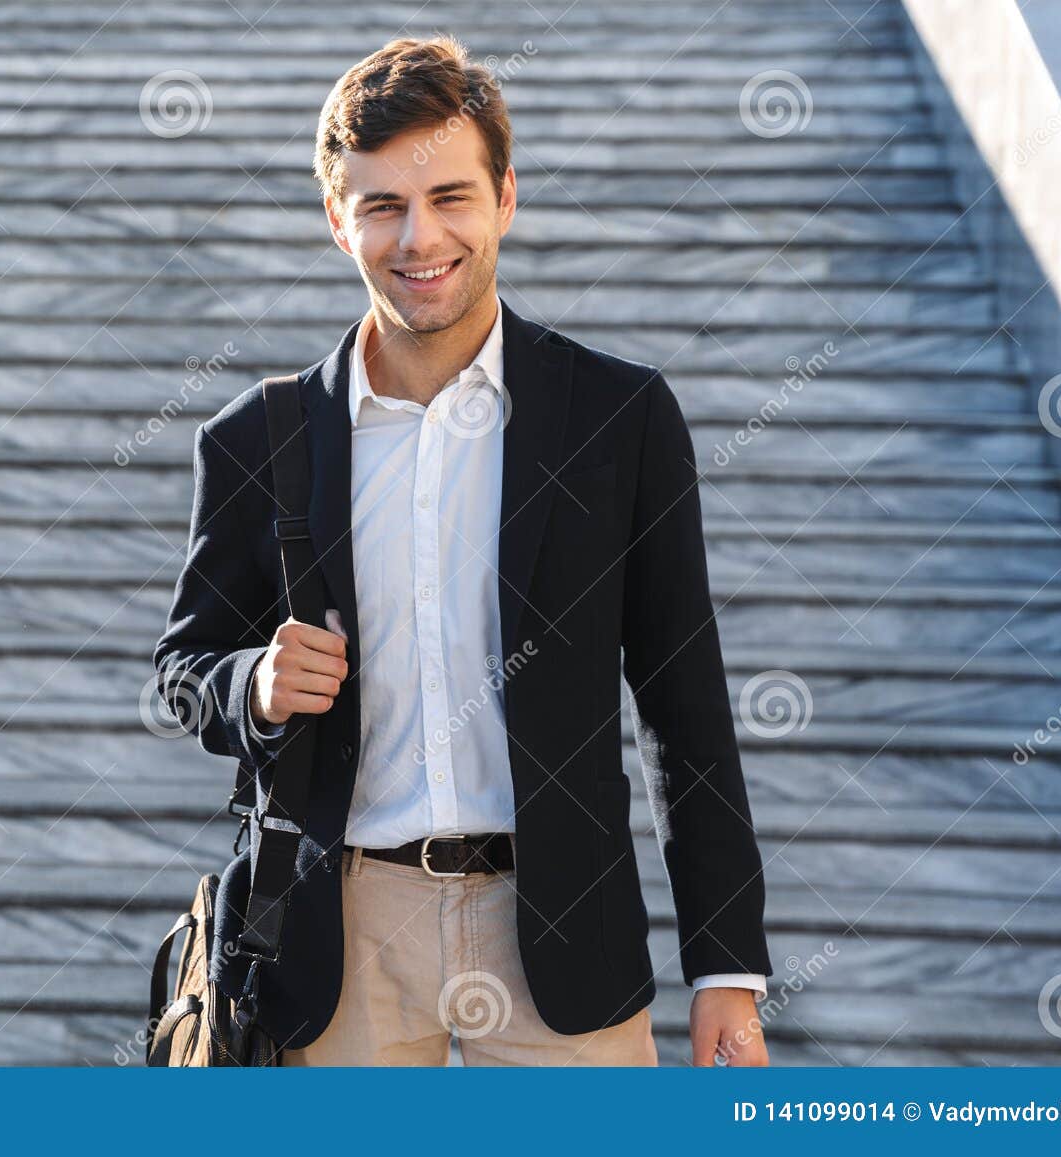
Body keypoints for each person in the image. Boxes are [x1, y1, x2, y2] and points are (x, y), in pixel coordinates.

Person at [154, 34, 771, 1066]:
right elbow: (183, 673)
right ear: (335, 218)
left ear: (505, 198)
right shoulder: (256, 439)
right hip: (340, 949)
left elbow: (686, 707)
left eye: (449, 196)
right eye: (382, 204)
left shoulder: (616, 418)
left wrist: (726, 970)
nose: (418, 236)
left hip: (565, 943)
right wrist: (254, 684)